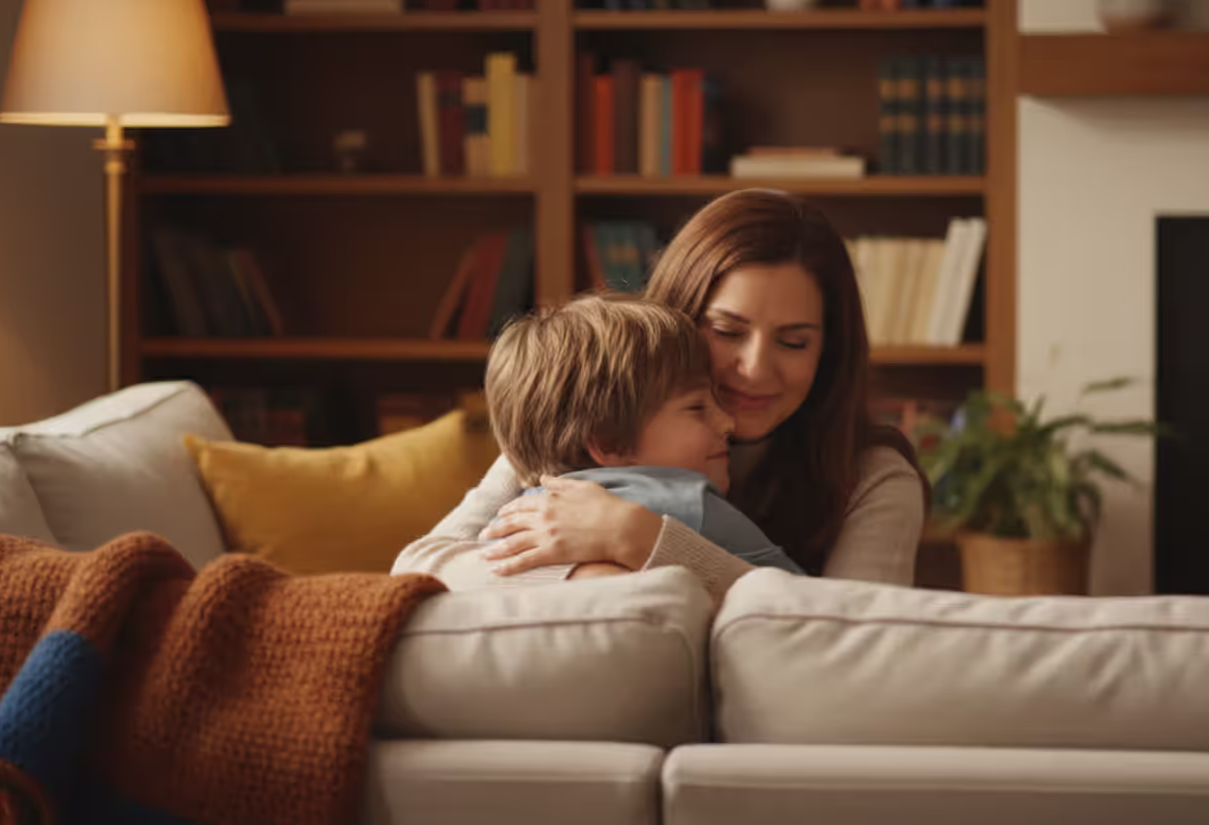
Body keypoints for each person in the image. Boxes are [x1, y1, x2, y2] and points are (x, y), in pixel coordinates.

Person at [391, 189, 927, 598]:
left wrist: (640, 540)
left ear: (828, 353)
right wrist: (591, 579)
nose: (755, 368)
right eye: (727, 331)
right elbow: (419, 570)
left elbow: (853, 639)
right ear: (679, 318)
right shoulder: (587, 427)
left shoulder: (875, 476)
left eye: (793, 341)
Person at [480, 292, 802, 576]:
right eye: (696, 408)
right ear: (610, 444)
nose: (727, 423)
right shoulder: (691, 503)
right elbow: (805, 606)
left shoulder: (511, 518)